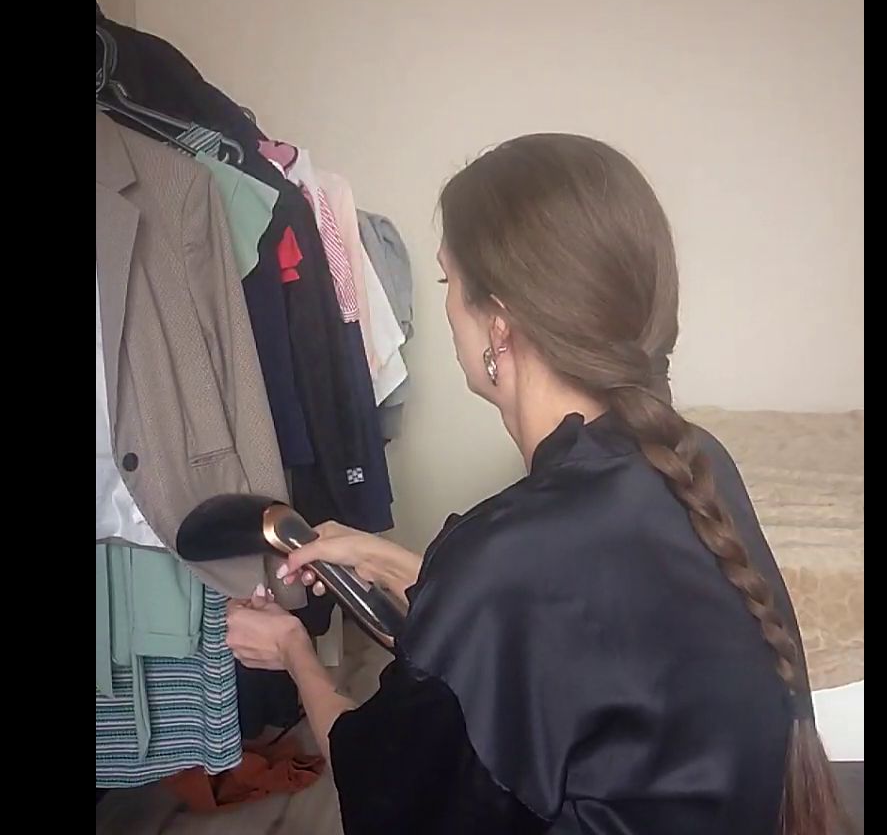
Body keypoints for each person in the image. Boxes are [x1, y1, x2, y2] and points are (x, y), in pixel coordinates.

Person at [226, 135, 843, 834]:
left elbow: (385, 789)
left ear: (498, 324)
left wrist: (294, 653)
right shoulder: (696, 457)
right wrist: (400, 567)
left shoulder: (505, 557)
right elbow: (583, 633)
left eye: (447, 284)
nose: (445, 310)